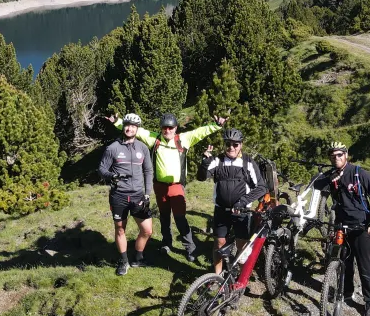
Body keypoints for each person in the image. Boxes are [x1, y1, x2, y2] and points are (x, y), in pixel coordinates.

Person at [107, 112, 225, 261]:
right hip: (159, 187)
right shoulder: (155, 139)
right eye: (164, 128)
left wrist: (217, 125)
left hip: (176, 187)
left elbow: (200, 132)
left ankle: (190, 248)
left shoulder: (183, 139)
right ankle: (166, 243)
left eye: (170, 128)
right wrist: (117, 122)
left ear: (175, 128)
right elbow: (136, 130)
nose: (167, 130)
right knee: (164, 217)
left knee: (180, 218)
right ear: (161, 128)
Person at [312, 141, 370, 316]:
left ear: (346, 155)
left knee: (365, 267)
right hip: (340, 226)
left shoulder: (359, 173)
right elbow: (315, 185)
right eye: (333, 156)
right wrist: (330, 179)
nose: (336, 158)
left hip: (361, 227)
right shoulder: (332, 175)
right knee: (345, 262)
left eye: (339, 154)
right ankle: (346, 292)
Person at [200, 128, 267, 274]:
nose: (231, 147)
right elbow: (201, 177)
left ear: (241, 145)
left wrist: (243, 201)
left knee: (241, 245)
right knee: (219, 243)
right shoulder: (218, 160)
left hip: (241, 211)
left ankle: (240, 278)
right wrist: (205, 163)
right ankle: (217, 276)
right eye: (228, 144)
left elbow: (261, 187)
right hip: (221, 210)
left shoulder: (248, 162)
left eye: (235, 144)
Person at [99, 113, 155, 276]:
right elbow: (102, 169)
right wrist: (112, 176)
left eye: (133, 126)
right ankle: (124, 261)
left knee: (147, 230)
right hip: (119, 196)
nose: (129, 129)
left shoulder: (143, 148)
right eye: (127, 125)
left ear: (137, 129)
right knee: (120, 229)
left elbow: (148, 171)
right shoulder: (112, 148)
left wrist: (147, 193)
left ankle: (138, 258)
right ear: (123, 126)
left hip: (138, 195)